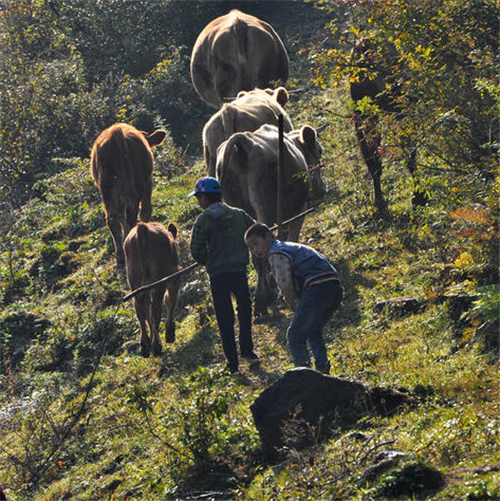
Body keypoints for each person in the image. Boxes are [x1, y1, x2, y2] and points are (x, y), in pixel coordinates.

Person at [244, 222, 343, 374]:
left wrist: (292, 303)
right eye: (251, 248)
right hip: (333, 286)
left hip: (316, 287)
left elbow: (285, 285)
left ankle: (303, 376)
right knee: (312, 330)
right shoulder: (288, 247)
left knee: (295, 334)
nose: (255, 250)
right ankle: (323, 370)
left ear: (269, 236)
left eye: (256, 244)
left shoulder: (275, 253)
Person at [189, 176, 258, 373]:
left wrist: (208, 261)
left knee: (224, 317)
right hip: (239, 271)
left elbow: (196, 250)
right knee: (244, 309)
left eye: (198, 198)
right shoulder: (239, 215)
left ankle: (232, 362)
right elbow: (253, 232)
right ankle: (247, 350)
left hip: (218, 275)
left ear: (204, 197)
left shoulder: (203, 221)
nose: (198, 201)